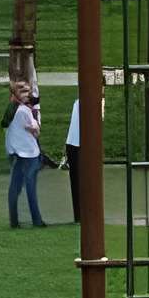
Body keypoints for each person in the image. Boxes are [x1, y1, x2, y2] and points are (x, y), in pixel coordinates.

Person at [4, 82, 47, 228]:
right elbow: (36, 131)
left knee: (15, 187)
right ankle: (36, 220)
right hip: (29, 154)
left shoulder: (11, 111)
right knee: (30, 187)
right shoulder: (24, 111)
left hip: (17, 153)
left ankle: (14, 221)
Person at [61, 92, 84, 223]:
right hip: (77, 145)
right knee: (78, 183)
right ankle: (80, 215)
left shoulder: (77, 102)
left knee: (77, 183)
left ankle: (79, 216)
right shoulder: (81, 103)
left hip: (73, 144)